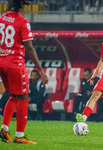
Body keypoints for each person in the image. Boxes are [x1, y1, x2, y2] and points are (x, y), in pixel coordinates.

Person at [0, 0, 48, 144]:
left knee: (14, 95)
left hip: (1, 62)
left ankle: (4, 129)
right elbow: (30, 49)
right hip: (15, 64)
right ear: (23, 6)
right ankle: (19, 135)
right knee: (24, 97)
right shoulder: (22, 22)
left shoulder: (2, 18)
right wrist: (40, 70)